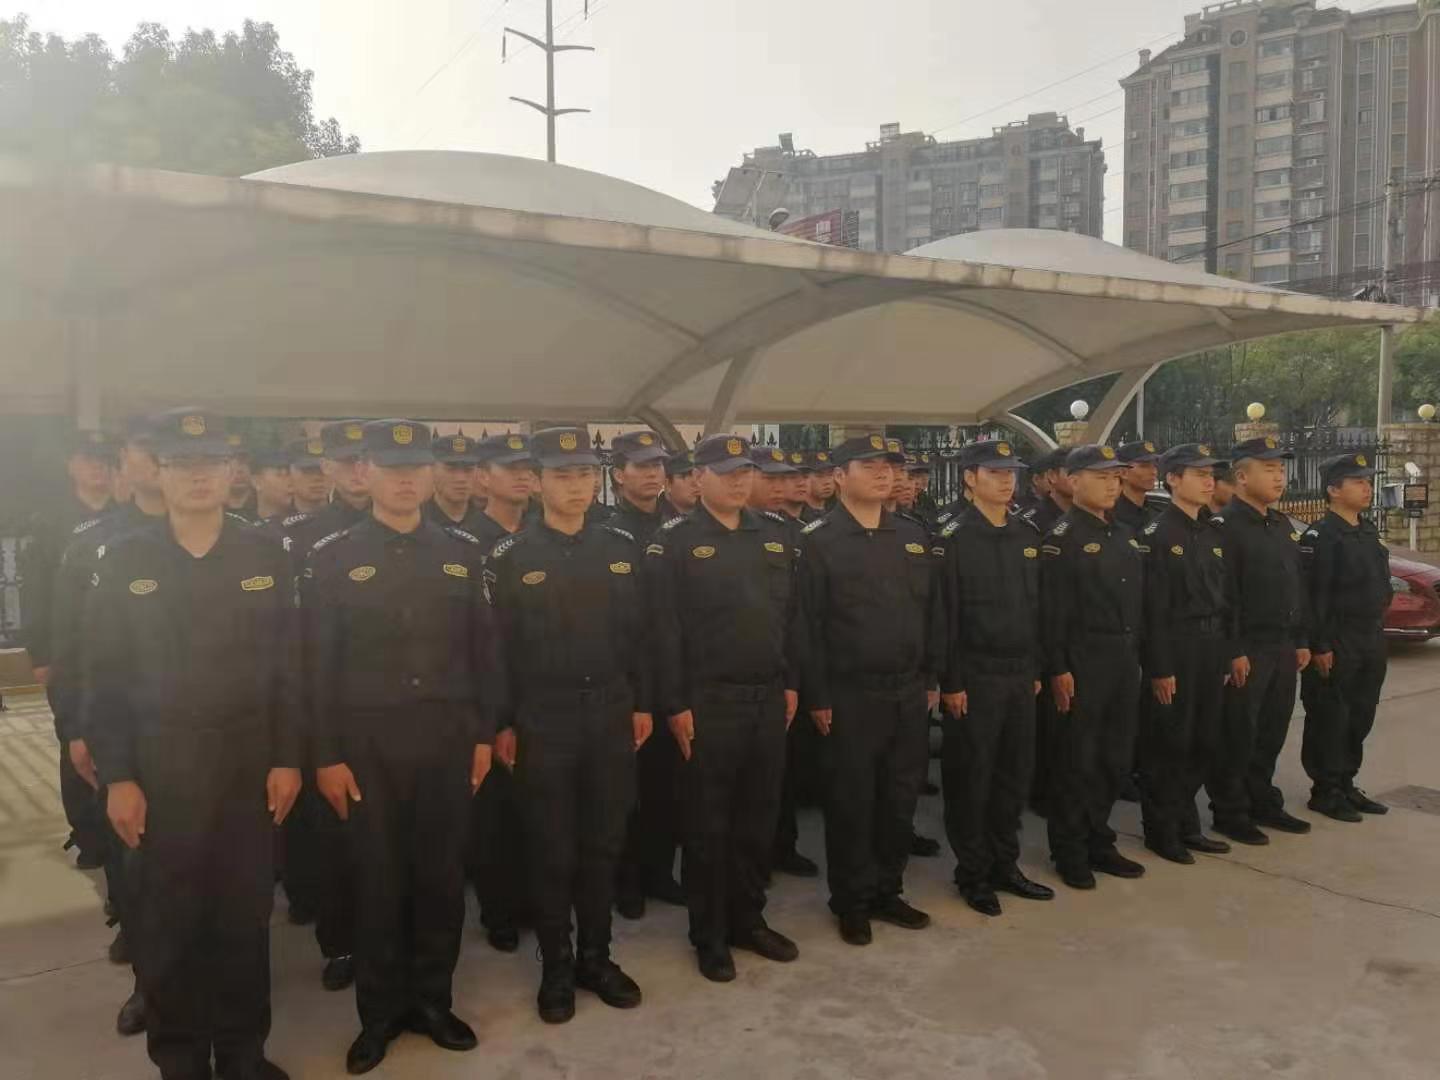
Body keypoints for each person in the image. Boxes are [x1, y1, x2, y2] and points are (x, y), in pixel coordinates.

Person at [85, 408, 301, 1080]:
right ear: (160, 472)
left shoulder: (265, 554)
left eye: (211, 463)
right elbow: (104, 676)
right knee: (169, 923)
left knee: (243, 918)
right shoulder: (124, 559)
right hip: (161, 768)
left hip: (246, 765)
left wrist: (287, 757)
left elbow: (289, 668)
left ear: (232, 471)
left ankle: (242, 1055)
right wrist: (119, 776)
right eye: (183, 464)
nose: (199, 476)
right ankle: (179, 1059)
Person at [302, 419, 500, 1075]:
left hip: (446, 740)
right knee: (377, 881)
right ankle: (379, 1015)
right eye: (392, 469)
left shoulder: (462, 552)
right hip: (367, 748)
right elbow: (317, 666)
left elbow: (483, 652)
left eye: (416, 467)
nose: (406, 480)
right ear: (368, 474)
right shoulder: (333, 556)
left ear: (431, 474)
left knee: (440, 878)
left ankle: (433, 1003)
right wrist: (326, 754)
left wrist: (481, 734)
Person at [486, 426, 650, 1024]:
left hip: (609, 712)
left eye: (584, 474)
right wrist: (503, 722)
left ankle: (596, 958)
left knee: (603, 843)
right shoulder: (510, 557)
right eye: (562, 475)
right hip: (543, 717)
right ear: (537, 481)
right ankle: (556, 965)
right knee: (552, 848)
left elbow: (641, 636)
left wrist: (640, 703)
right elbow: (495, 651)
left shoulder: (620, 548)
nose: (576, 486)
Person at [644, 433, 802, 983]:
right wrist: (674, 703)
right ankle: (709, 934)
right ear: (697, 478)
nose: (739, 481)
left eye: (745, 472)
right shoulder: (674, 543)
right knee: (708, 826)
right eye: (727, 472)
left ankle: (748, 920)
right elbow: (662, 632)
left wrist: (792, 682)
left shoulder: (775, 536)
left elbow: (792, 620)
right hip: (708, 703)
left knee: (757, 820)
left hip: (767, 698)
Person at [48, 414, 168, 1037]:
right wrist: (76, 728)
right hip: (127, 738)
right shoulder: (93, 546)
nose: (158, 462)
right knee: (135, 867)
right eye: (146, 451)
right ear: (127, 464)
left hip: (211, 738)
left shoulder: (233, 541)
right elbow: (72, 650)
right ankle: (152, 986)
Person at [800, 433, 938, 946]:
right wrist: (818, 695)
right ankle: (852, 900)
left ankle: (887, 889)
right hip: (850, 695)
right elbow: (808, 626)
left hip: (907, 691)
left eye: (890, 466)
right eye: (870, 465)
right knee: (852, 803)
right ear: (839, 476)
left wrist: (931, 676)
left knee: (899, 801)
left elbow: (928, 613)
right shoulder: (818, 541)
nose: (885, 473)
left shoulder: (911, 534)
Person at [937, 440, 1054, 917]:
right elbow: (945, 617)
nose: (1007, 480)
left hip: (1019, 673)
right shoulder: (953, 538)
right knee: (973, 777)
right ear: (970, 478)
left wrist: (1036, 668)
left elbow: (1036, 609)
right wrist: (952, 681)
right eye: (995, 472)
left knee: (1012, 775)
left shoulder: (1025, 534)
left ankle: (1006, 864)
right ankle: (974, 873)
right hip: (976, 675)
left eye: (1011, 472)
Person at [1040, 443, 1146, 890]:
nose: (1111, 485)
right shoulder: (1060, 538)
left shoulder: (1123, 533)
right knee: (1076, 760)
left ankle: (1099, 838)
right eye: (1101, 477)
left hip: (1122, 658)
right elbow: (1051, 611)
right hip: (1082, 661)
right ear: (1073, 480)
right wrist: (1058, 667)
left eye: (1115, 477)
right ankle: (1069, 849)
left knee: (1112, 758)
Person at [1207, 436, 1312, 843]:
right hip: (1248, 646)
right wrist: (1232, 649)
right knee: (1238, 732)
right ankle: (1230, 810)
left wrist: (1301, 638)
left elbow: (1296, 585)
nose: (1279, 477)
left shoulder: (1281, 524)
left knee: (1272, 729)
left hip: (1282, 644)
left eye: (1281, 469)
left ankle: (1262, 799)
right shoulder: (1225, 528)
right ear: (1241, 477)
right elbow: (1224, 595)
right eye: (1269, 469)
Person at [1136, 444, 1237, 865]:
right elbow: (1152, 610)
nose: (1208, 481)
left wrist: (1228, 653)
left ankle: (1186, 823)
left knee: (1203, 740)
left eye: (1211, 474)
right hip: (1176, 648)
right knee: (1169, 744)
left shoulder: (1213, 531)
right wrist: (1160, 667)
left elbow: (1226, 598)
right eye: (1198, 474)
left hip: (1211, 647)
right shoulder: (1157, 534)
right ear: (1173, 479)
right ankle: (1161, 830)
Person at [22, 428, 116, 870]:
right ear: (71, 466)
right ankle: (88, 833)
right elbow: (35, 590)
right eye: (88, 458)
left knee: (118, 736)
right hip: (69, 650)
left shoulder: (128, 515)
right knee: (75, 739)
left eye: (104, 458)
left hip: (118, 649)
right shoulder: (50, 522)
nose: (98, 466)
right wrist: (40, 653)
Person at [465, 432, 538, 953]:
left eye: (527, 467)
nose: (521, 476)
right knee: (495, 816)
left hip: (545, 695)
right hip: (491, 696)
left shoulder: (543, 533)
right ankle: (501, 910)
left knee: (541, 809)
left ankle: (538, 900)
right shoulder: (464, 541)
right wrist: (494, 717)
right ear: (482, 476)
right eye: (508, 467)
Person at [1298, 452, 1393, 823]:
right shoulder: (1321, 536)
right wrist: (1319, 644)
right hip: (1337, 638)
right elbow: (1313, 597)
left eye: (1368, 481)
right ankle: (1325, 790)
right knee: (1330, 716)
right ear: (1334, 490)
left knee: (1360, 713)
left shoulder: (1367, 531)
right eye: (1358, 482)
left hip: (1370, 636)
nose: (1367, 488)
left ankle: (1346, 782)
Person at [607, 430, 670, 544]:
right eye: (641, 466)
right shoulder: (607, 533)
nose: (652, 473)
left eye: (657, 465)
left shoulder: (678, 528)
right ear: (618, 475)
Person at [425, 432, 484, 529]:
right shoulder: (415, 523)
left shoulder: (488, 523)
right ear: (432, 470)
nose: (461, 479)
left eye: (468, 470)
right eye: (451, 469)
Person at [1018, 447, 1071, 536]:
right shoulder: (1031, 522)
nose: (1079, 479)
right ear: (1052, 476)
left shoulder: (1091, 515)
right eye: (1071, 472)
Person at [1113, 440, 1161, 532]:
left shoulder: (1158, 514)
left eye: (1155, 465)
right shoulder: (1110, 517)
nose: (1154, 472)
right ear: (1123, 472)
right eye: (1145, 466)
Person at [250, 447, 294, 523]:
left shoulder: (306, 524)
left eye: (290, 474)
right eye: (279, 474)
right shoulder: (241, 524)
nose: (290, 481)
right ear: (256, 482)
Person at [288, 436, 330, 514]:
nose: (317, 478)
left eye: (323, 470)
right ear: (290, 474)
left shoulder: (349, 516)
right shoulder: (278, 519)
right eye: (308, 471)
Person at [661, 450, 699, 516]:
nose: (696, 483)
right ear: (667, 484)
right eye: (683, 477)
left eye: (697, 475)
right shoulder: (655, 519)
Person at [804, 449, 837, 515]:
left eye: (830, 474)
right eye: (819, 476)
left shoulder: (838, 511)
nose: (827, 482)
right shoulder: (797, 513)